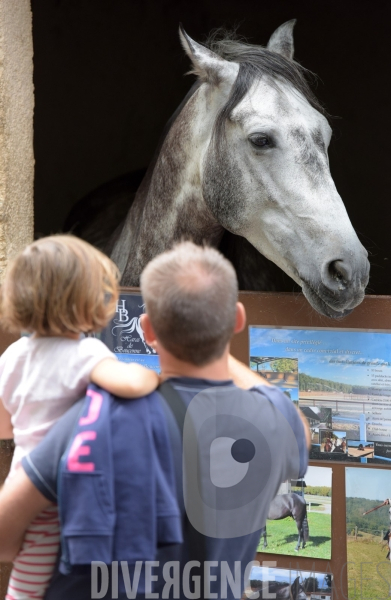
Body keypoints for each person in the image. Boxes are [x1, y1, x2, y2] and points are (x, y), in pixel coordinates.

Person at [0, 241, 310, 600]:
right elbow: (298, 426)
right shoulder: (273, 424)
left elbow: (5, 537)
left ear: (148, 331)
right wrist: (215, 339)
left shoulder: (96, 414)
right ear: (238, 320)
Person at [0, 235, 159, 600]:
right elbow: (131, 384)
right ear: (85, 300)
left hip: (20, 480)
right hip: (60, 492)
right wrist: (155, 375)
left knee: (27, 577)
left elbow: (4, 425)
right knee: (31, 590)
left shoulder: (13, 354)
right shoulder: (85, 352)